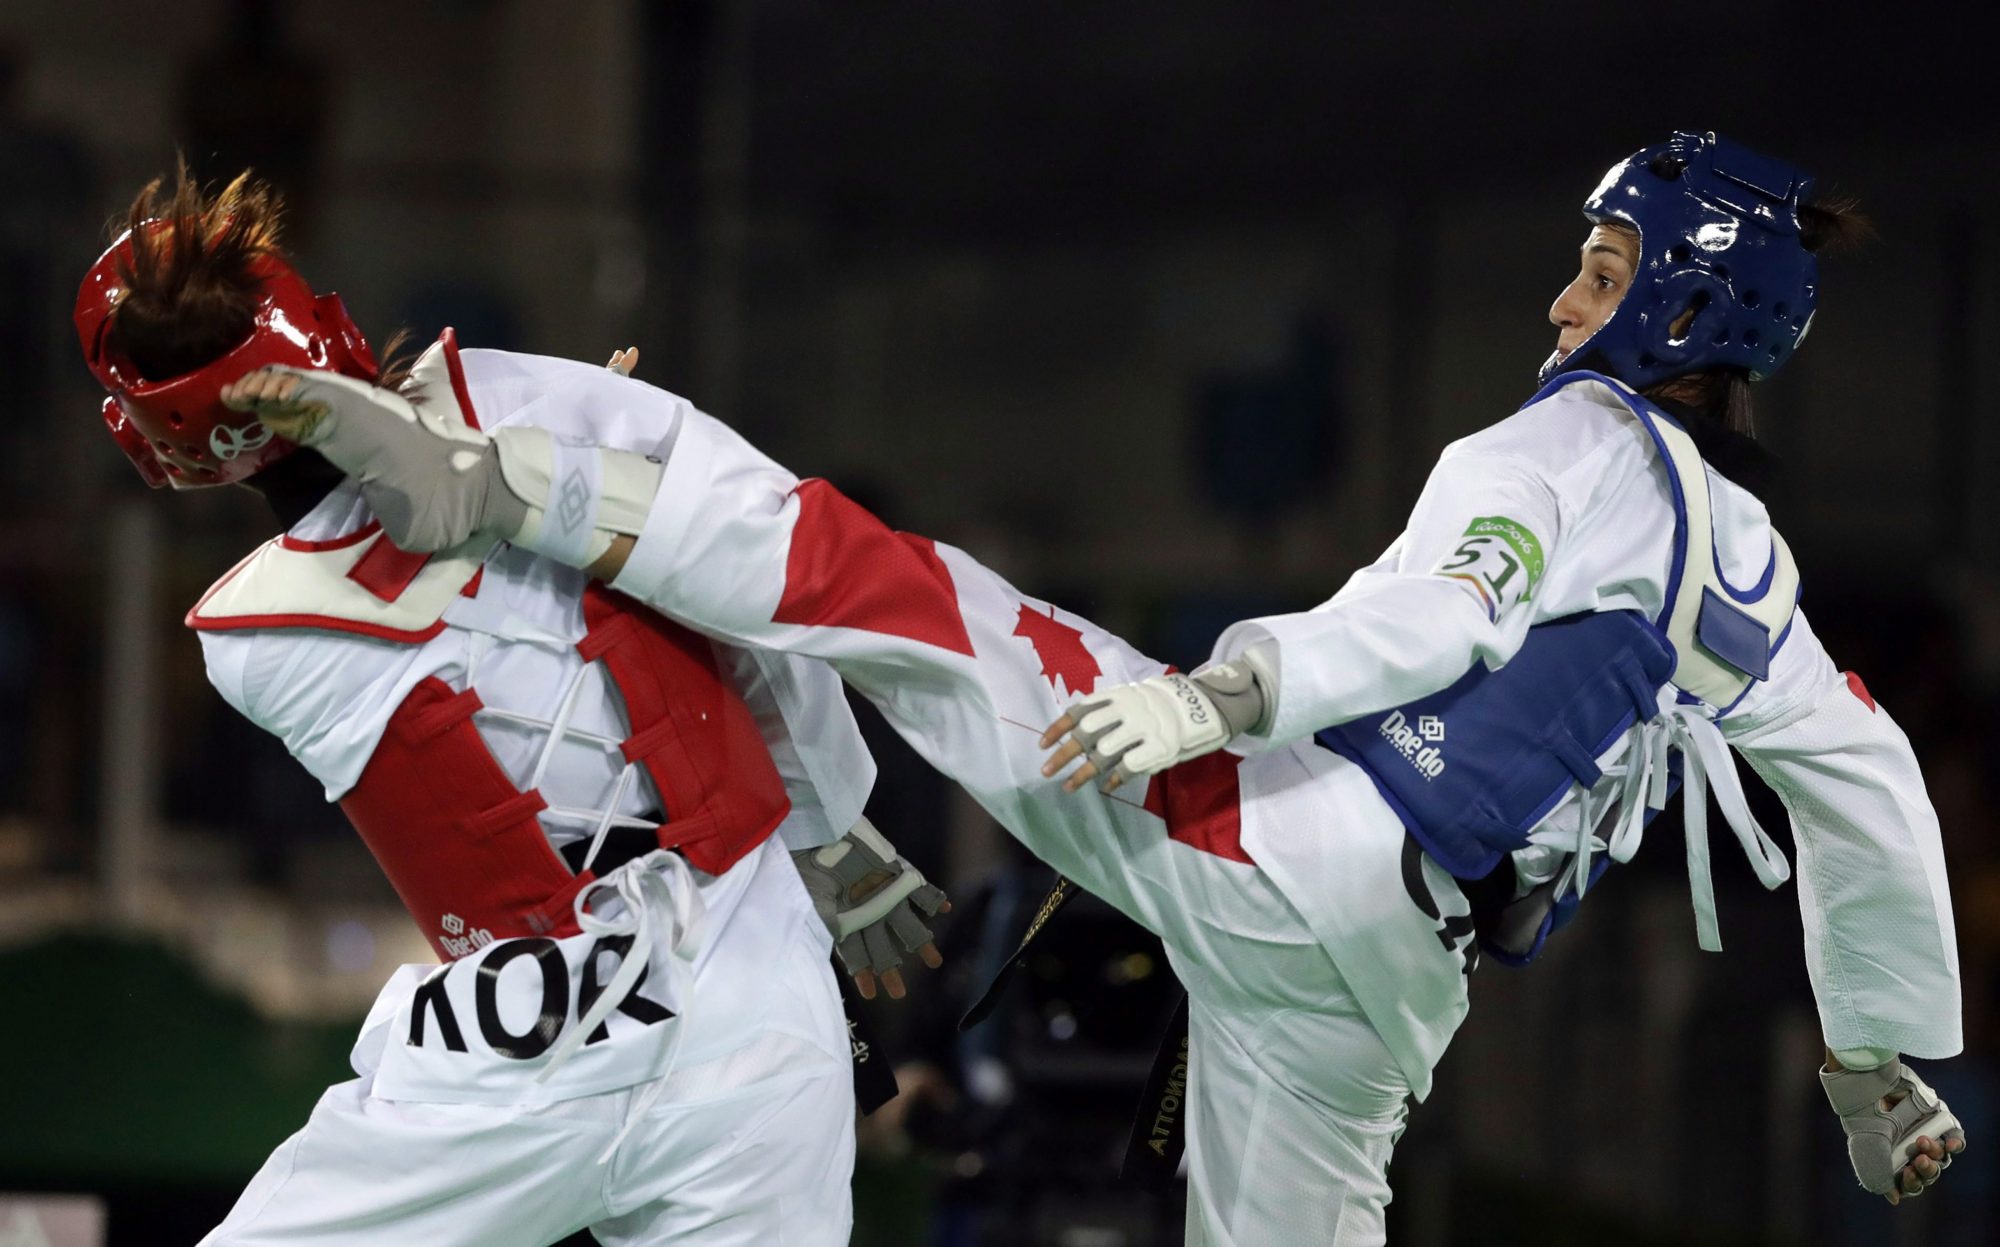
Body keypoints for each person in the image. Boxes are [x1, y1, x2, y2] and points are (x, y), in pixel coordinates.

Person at [225, 132, 1967, 1245]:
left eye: (1601, 268)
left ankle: (491, 481)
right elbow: (1871, 794)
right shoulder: (1750, 574)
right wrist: (1880, 1052)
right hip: (1382, 994)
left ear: (1681, 299)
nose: (1563, 294)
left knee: (903, 591)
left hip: (1289, 840)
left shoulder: (1574, 442)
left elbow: (1438, 615)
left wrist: (1224, 697)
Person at [77, 163, 948, 1247]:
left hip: (531, 1048)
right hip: (758, 1003)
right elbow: (757, 583)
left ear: (165, 442)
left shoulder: (254, 641)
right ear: (321, 324)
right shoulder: (546, 399)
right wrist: (834, 831)